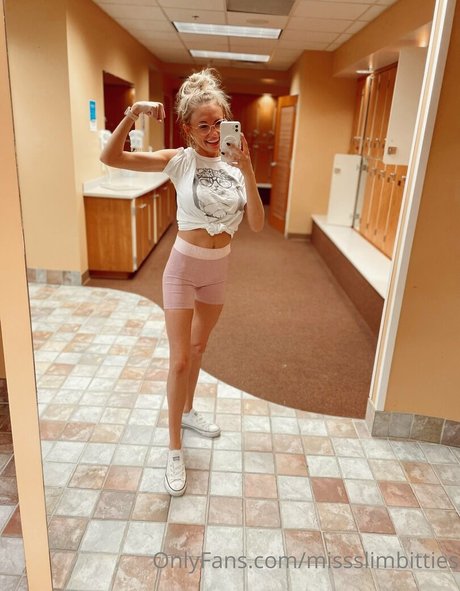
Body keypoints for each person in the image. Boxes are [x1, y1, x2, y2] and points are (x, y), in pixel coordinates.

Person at [100, 68, 264, 496]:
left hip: (218, 272)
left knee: (198, 349)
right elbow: (110, 158)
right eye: (203, 126)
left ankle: (188, 412)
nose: (213, 133)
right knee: (178, 361)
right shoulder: (179, 160)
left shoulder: (236, 166)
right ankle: (174, 449)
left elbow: (257, 224)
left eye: (219, 123)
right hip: (183, 270)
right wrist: (132, 113)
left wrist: (248, 169)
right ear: (188, 129)